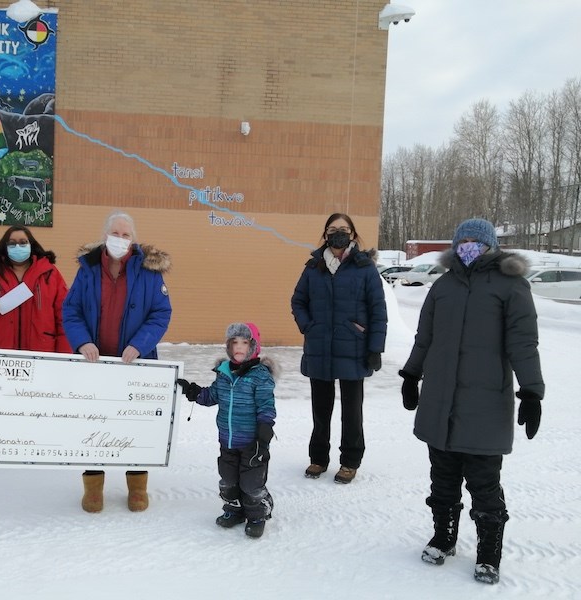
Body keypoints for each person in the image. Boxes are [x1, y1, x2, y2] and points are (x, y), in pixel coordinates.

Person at [399, 218, 544, 585]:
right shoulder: (444, 286)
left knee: (484, 484)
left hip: (485, 404)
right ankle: (444, 538)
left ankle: (488, 553)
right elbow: (425, 336)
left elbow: (523, 343)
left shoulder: (511, 286)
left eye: (475, 241)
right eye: (462, 240)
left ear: (491, 245)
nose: (468, 245)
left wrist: (531, 391)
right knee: (442, 479)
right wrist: (412, 374)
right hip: (440, 399)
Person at [62, 211, 172, 513]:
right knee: (93, 424)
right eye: (115, 233)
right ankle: (93, 486)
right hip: (94, 366)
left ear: (133, 239)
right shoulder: (88, 269)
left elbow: (161, 313)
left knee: (133, 425)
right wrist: (82, 341)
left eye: (125, 235)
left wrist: (139, 345)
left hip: (134, 365)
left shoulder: (150, 270)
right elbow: (71, 311)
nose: (120, 239)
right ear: (104, 234)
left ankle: (137, 486)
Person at [290, 213, 387, 484]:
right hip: (320, 346)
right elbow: (298, 301)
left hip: (353, 346)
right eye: (332, 230)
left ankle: (350, 461)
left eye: (343, 229)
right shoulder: (313, 267)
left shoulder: (364, 268)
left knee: (352, 412)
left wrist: (375, 346)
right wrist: (309, 326)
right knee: (321, 411)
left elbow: (378, 309)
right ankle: (318, 458)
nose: (338, 234)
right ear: (325, 234)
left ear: (353, 234)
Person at [177, 323, 276, 538]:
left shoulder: (260, 376)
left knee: (251, 483)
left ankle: (258, 514)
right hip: (227, 440)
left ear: (254, 346)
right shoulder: (223, 374)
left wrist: (264, 435)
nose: (239, 347)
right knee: (228, 479)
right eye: (234, 343)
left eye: (244, 342)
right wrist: (193, 391)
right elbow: (212, 396)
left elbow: (266, 407)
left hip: (252, 442)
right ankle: (234, 510)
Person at [0, 225, 71, 353]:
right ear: (5, 246)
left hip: (41, 350)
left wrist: (64, 353)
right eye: (12, 243)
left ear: (31, 244)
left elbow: (64, 314)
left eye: (23, 242)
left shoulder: (49, 273)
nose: (18, 247)